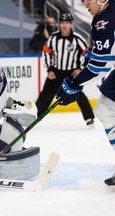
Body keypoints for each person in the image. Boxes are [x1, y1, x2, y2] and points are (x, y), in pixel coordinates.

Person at [56, 0, 115, 187]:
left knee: (105, 108)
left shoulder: (103, 21)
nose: (84, 3)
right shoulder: (103, 15)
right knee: (105, 108)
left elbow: (100, 66)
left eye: (87, 0)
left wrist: (74, 84)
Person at [36, 13, 95, 127]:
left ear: (70, 25)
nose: (64, 25)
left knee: (78, 94)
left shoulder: (77, 39)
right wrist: (49, 69)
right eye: (62, 23)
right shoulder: (53, 38)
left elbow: (88, 53)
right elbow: (46, 52)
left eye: (67, 23)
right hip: (56, 72)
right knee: (45, 95)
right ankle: (35, 117)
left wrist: (80, 68)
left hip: (71, 73)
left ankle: (89, 117)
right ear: (59, 24)